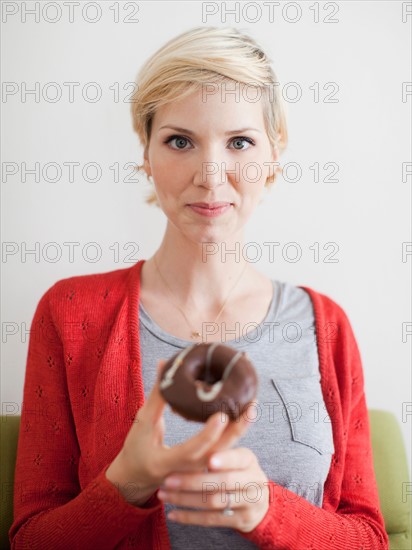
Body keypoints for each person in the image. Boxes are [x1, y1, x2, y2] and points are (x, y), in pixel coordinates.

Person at [9, 26, 388, 549]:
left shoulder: (327, 325)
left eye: (239, 142)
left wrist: (265, 507)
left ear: (273, 158)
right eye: (180, 141)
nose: (210, 175)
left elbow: (370, 538)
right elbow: (30, 540)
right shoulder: (70, 312)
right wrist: (128, 483)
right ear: (146, 153)